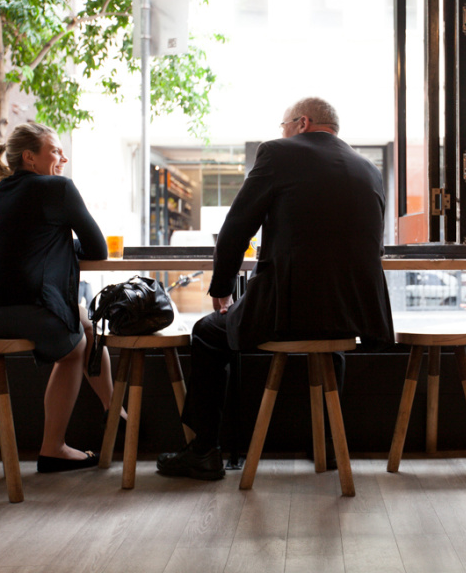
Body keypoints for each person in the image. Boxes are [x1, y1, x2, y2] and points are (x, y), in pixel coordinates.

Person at [156, 97, 395, 480]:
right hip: (352, 316)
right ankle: (327, 446)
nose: (281, 133)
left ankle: (204, 451)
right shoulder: (369, 168)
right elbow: (373, 248)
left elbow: (236, 228)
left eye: (283, 126)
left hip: (287, 311)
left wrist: (221, 288)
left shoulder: (278, 153)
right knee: (327, 343)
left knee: (206, 333)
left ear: (302, 123)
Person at [0, 122, 117, 473]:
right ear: (30, 158)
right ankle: (54, 448)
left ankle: (114, 408)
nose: (63, 158)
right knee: (74, 348)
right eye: (55, 151)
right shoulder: (58, 188)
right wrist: (65, 243)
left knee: (83, 320)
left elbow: (23, 243)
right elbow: (98, 248)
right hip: (22, 309)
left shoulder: (1, 190)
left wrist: (56, 241)